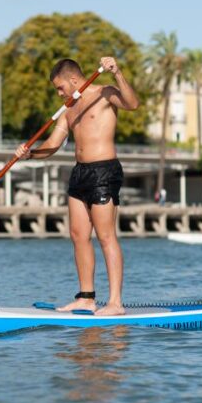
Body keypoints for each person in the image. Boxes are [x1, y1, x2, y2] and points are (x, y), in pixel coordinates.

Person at [16, 57, 139, 316]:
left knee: (105, 236)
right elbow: (54, 143)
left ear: (73, 80)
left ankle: (116, 303)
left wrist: (118, 73)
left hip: (104, 170)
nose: (59, 93)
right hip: (79, 173)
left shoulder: (104, 93)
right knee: (78, 235)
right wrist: (31, 154)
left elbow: (132, 104)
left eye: (60, 87)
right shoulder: (68, 106)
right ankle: (86, 297)